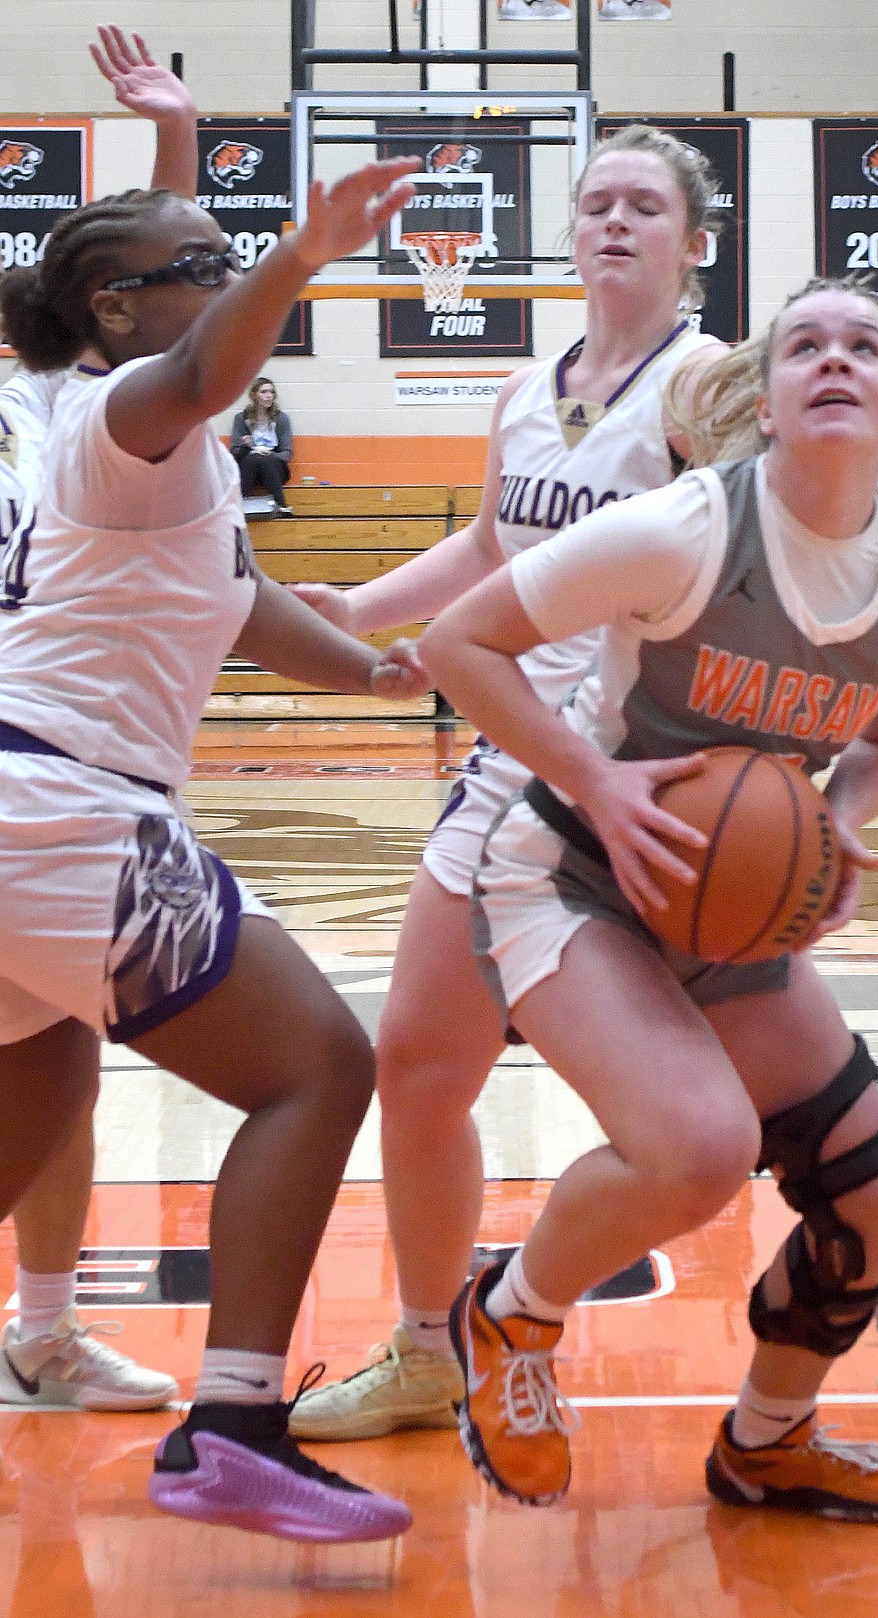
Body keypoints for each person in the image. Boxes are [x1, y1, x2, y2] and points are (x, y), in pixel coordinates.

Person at [287, 127, 878, 1495]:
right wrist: (372, 609)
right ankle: (441, 1345)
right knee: (425, 1073)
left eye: (645, 204)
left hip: (681, 784)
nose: (615, 222)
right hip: (543, 766)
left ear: (697, 239)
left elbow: (832, 478)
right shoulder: (530, 387)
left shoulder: (711, 382)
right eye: (595, 200)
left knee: (742, 1136)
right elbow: (501, 541)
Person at [0, 145, 429, 1542]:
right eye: (213, 266)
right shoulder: (133, 408)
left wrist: (370, 670)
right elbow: (193, 371)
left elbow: (237, 600)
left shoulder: (134, 434)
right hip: (67, 812)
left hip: (28, 808)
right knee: (319, 1064)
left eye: (238, 255)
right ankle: (236, 1430)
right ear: (120, 310)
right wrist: (306, 255)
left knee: (32, 1102)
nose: (238, 276)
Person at [0, 24, 202, 1416]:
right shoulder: (57, 405)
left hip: (59, 754)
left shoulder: (79, 401)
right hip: (37, 762)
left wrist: (176, 133)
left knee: (53, 1055)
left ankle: (47, 1324)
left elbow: (166, 269)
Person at [231, 377, 293, 513]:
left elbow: (287, 454)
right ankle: (282, 505)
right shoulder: (241, 418)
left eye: (271, 392)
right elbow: (234, 454)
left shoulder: (281, 419)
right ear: (254, 395)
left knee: (263, 458)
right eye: (264, 392)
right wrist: (245, 446)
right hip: (249, 469)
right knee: (254, 458)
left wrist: (269, 454)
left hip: (274, 469)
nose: (269, 396)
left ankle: (279, 504)